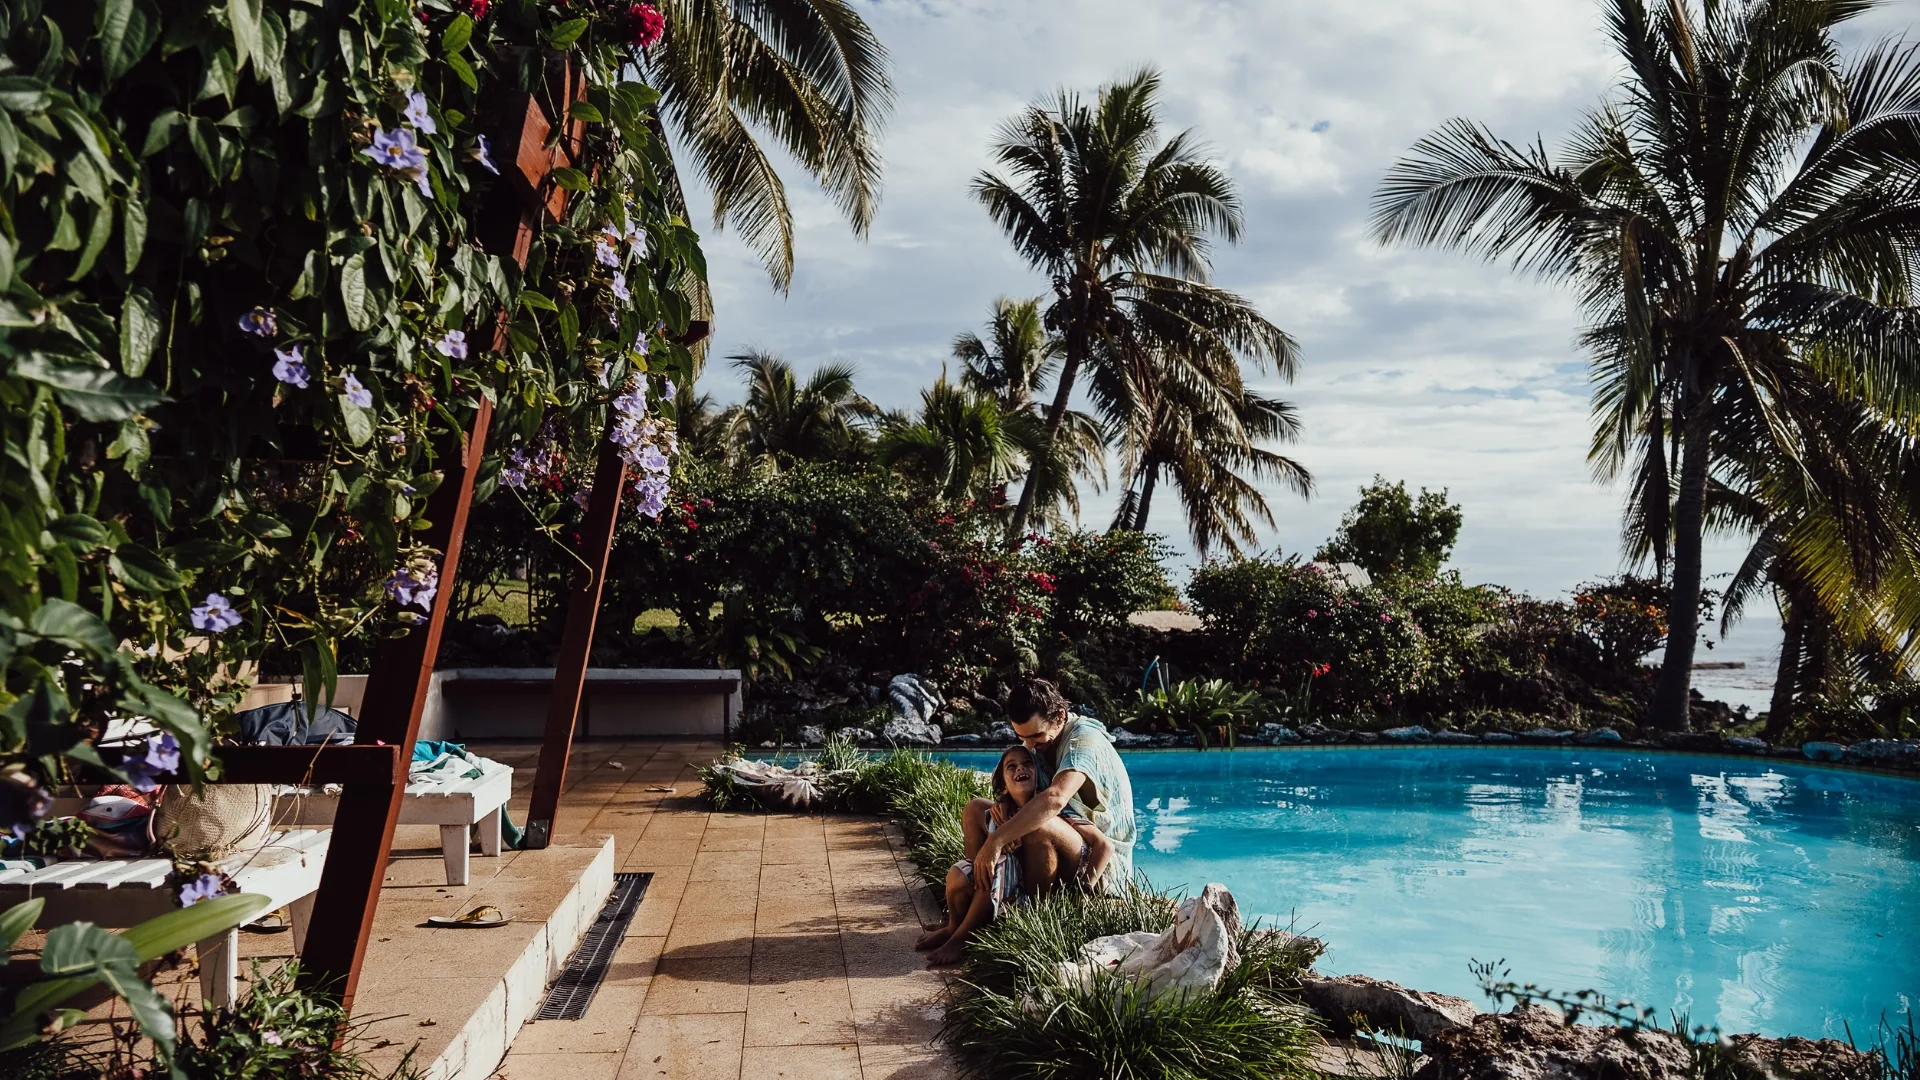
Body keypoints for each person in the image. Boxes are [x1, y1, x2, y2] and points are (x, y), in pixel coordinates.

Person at [914, 744, 1110, 967]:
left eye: (1027, 765)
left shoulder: (1053, 810)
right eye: (1012, 767)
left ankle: (963, 937)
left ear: (1038, 776)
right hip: (1011, 881)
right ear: (1004, 786)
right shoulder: (1002, 811)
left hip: (1055, 882)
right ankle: (955, 924)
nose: (1020, 769)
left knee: (1031, 833)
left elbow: (1104, 845)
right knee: (974, 814)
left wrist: (1083, 890)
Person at [971, 677, 1136, 897]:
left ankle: (1033, 913)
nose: (1029, 746)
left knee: (1040, 824)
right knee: (976, 810)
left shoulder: (1084, 741)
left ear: (1059, 716)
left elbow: (1055, 799)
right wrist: (1005, 803)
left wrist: (997, 839)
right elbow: (1009, 782)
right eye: (1022, 738)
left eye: (1036, 736)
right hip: (1064, 836)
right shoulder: (1039, 742)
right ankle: (976, 902)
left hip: (1100, 860)